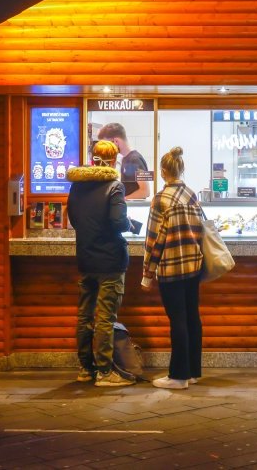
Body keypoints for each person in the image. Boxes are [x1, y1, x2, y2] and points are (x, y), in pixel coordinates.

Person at [66, 139, 133, 387]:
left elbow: (74, 219)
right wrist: (128, 224)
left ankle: (86, 369)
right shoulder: (114, 186)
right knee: (105, 317)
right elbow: (118, 223)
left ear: (93, 157)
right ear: (113, 160)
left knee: (85, 316)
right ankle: (105, 372)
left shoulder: (77, 187)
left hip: (85, 258)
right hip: (110, 261)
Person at [141, 146, 204, 390]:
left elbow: (153, 238)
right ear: (181, 169)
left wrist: (147, 273)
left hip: (171, 267)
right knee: (192, 317)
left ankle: (178, 376)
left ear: (164, 171)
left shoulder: (160, 199)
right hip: (193, 265)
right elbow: (202, 229)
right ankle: (193, 372)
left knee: (177, 319)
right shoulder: (191, 194)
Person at [97, 122, 149, 198]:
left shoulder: (136, 159)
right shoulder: (125, 159)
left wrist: (121, 200)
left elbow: (145, 191)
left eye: (108, 144)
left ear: (116, 141)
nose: (106, 148)